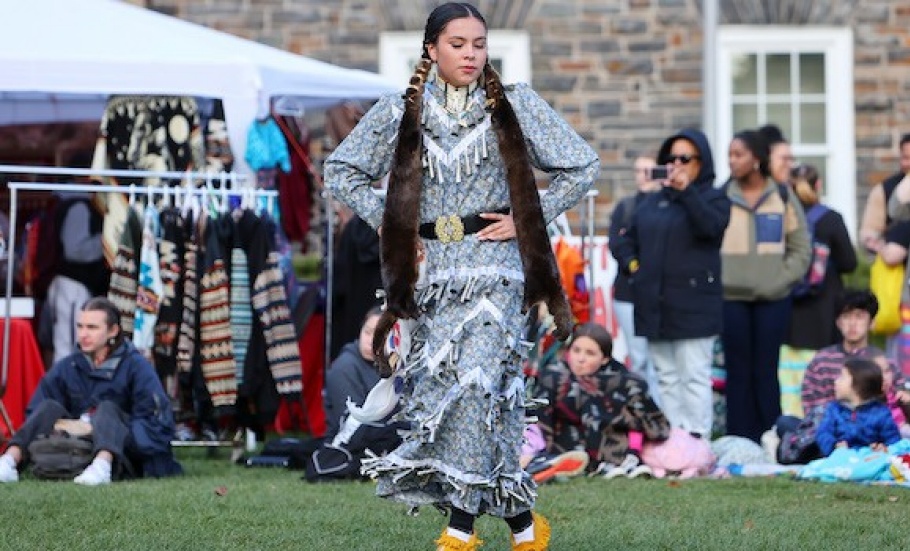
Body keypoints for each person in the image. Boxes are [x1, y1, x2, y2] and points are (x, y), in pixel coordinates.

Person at [323, 4, 599, 549]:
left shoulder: (515, 105)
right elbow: (341, 170)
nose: (471, 53)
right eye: (458, 43)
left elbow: (581, 164)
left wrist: (525, 216)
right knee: (461, 399)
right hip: (433, 275)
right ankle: (523, 525)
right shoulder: (402, 112)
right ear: (431, 49)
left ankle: (460, 530)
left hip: (496, 271)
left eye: (479, 43)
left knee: (476, 386)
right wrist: (396, 226)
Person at [612, 129, 730, 439]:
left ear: (701, 162)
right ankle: (674, 438)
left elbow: (710, 227)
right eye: (671, 158)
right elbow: (626, 241)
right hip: (655, 303)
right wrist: (635, 269)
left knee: (693, 375)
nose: (676, 164)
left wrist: (686, 191)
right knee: (665, 376)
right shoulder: (652, 202)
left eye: (685, 158)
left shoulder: (714, 197)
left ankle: (697, 439)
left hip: (695, 305)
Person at [0, 297, 182, 485]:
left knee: (107, 409)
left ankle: (101, 467)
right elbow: (36, 411)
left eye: (92, 328)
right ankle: (9, 461)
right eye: (80, 326)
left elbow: (156, 423)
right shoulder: (69, 365)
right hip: (74, 446)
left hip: (124, 452)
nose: (83, 334)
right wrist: (71, 428)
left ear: (113, 331)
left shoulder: (136, 367)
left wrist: (99, 429)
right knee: (48, 407)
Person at [720, 129, 811, 443]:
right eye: (730, 154)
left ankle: (771, 439)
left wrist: (782, 279)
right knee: (738, 372)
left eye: (738, 154)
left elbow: (802, 247)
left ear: (756, 159)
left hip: (774, 299)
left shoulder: (783, 196)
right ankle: (739, 439)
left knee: (766, 370)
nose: (732, 161)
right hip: (730, 299)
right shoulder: (722, 197)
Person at [532, 322, 670, 480]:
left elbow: (653, 422)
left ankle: (630, 458)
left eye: (590, 353)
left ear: (604, 359)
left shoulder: (625, 381)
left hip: (618, 444)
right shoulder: (553, 377)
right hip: (565, 446)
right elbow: (540, 417)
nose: (581, 359)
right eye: (576, 351)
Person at [770, 290, 888, 463]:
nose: (852, 324)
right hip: (828, 427)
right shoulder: (822, 360)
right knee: (785, 422)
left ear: (872, 322)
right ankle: (828, 451)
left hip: (871, 431)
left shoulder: (882, 361)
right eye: (846, 317)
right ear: (838, 322)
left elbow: (892, 402)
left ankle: (814, 453)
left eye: (859, 317)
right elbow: (811, 408)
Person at [779, 164, 857, 416]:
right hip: (824, 313)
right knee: (824, 377)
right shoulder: (830, 219)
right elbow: (849, 263)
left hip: (789, 313)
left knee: (791, 382)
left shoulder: (782, 218)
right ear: (818, 185)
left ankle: (791, 429)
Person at [305, 307, 404, 481]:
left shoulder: (398, 366)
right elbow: (352, 425)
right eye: (367, 332)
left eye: (379, 334)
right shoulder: (345, 367)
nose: (370, 340)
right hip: (352, 445)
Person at [608, 155, 661, 404]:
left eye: (649, 170)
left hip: (662, 293)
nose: (643, 176)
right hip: (630, 292)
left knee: (662, 360)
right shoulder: (627, 207)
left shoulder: (666, 205)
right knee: (638, 357)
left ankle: (663, 415)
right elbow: (617, 245)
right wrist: (636, 268)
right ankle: (642, 412)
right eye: (639, 171)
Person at [815, 358, 901, 456]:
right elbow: (823, 433)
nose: (836, 381)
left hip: (869, 462)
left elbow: (894, 441)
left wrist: (884, 449)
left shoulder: (881, 413)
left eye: (842, 377)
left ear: (858, 385)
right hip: (839, 461)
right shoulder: (834, 409)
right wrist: (834, 446)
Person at [861, 133, 910, 254]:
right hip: (897, 269)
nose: (907, 164)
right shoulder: (885, 189)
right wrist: (886, 249)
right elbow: (869, 232)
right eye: (905, 158)